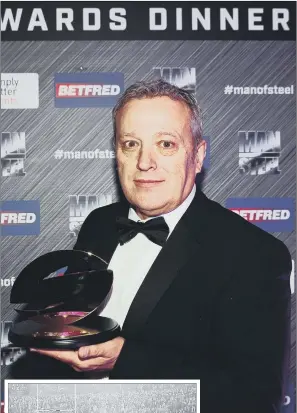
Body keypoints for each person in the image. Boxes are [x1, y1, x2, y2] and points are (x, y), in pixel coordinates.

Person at [32, 79, 292, 413]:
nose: (144, 163)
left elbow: (255, 397)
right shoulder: (98, 224)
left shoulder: (255, 254)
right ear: (117, 153)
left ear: (197, 156)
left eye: (166, 144)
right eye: (131, 144)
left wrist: (126, 362)